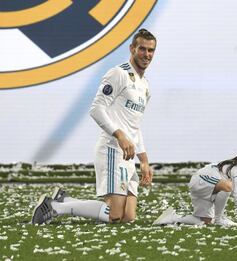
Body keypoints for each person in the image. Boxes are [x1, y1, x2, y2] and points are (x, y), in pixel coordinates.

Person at [31, 29, 156, 224]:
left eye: (151, 50)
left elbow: (135, 125)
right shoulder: (119, 73)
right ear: (132, 49)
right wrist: (120, 135)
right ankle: (55, 207)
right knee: (115, 216)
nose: (147, 55)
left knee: (128, 217)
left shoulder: (145, 86)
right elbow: (96, 108)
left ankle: (64, 200)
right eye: (142, 49)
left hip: (129, 157)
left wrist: (145, 161)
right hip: (112, 150)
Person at [153, 141, 237, 227]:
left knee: (205, 220)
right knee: (227, 186)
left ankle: (172, 218)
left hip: (201, 183)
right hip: (202, 181)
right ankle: (219, 219)